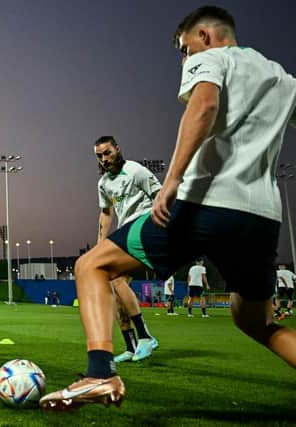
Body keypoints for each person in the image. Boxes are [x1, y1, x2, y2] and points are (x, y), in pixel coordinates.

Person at [40, 6, 296, 410]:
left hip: (204, 203)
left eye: (184, 48)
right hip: (262, 218)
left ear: (205, 36)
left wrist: (173, 178)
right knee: (256, 322)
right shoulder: (283, 79)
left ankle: (99, 375)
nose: (185, 57)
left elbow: (205, 105)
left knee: (92, 265)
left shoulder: (210, 58)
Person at [93, 136, 160, 363]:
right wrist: (100, 246)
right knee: (114, 285)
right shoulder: (104, 184)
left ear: (117, 149)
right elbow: (106, 213)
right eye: (100, 156)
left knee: (116, 279)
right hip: (127, 234)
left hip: (145, 228)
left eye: (108, 153)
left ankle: (145, 337)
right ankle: (131, 346)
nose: (105, 159)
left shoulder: (135, 171)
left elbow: (159, 197)